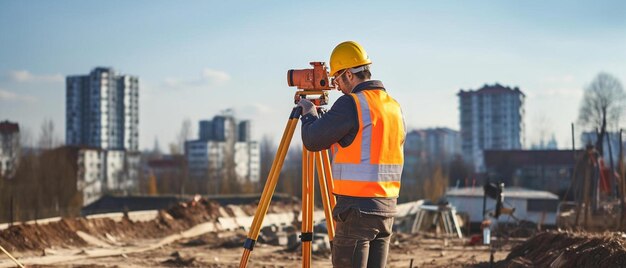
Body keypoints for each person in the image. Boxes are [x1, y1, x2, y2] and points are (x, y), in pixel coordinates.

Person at [297, 41, 406, 268]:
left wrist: (308, 114)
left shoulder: (351, 104)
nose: (337, 87)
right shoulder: (393, 106)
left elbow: (313, 140)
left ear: (349, 74)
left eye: (337, 80)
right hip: (386, 209)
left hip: (357, 211)